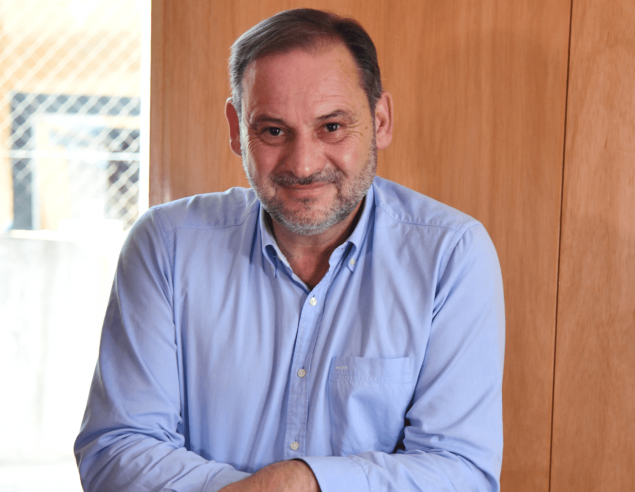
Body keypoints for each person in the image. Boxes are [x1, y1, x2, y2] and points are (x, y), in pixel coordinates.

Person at [75, 8, 505, 492]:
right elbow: (116, 449)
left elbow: (461, 472)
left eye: (332, 127)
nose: (303, 165)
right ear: (237, 128)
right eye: (274, 131)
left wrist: (304, 482)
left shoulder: (452, 256)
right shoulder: (165, 246)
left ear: (380, 120)